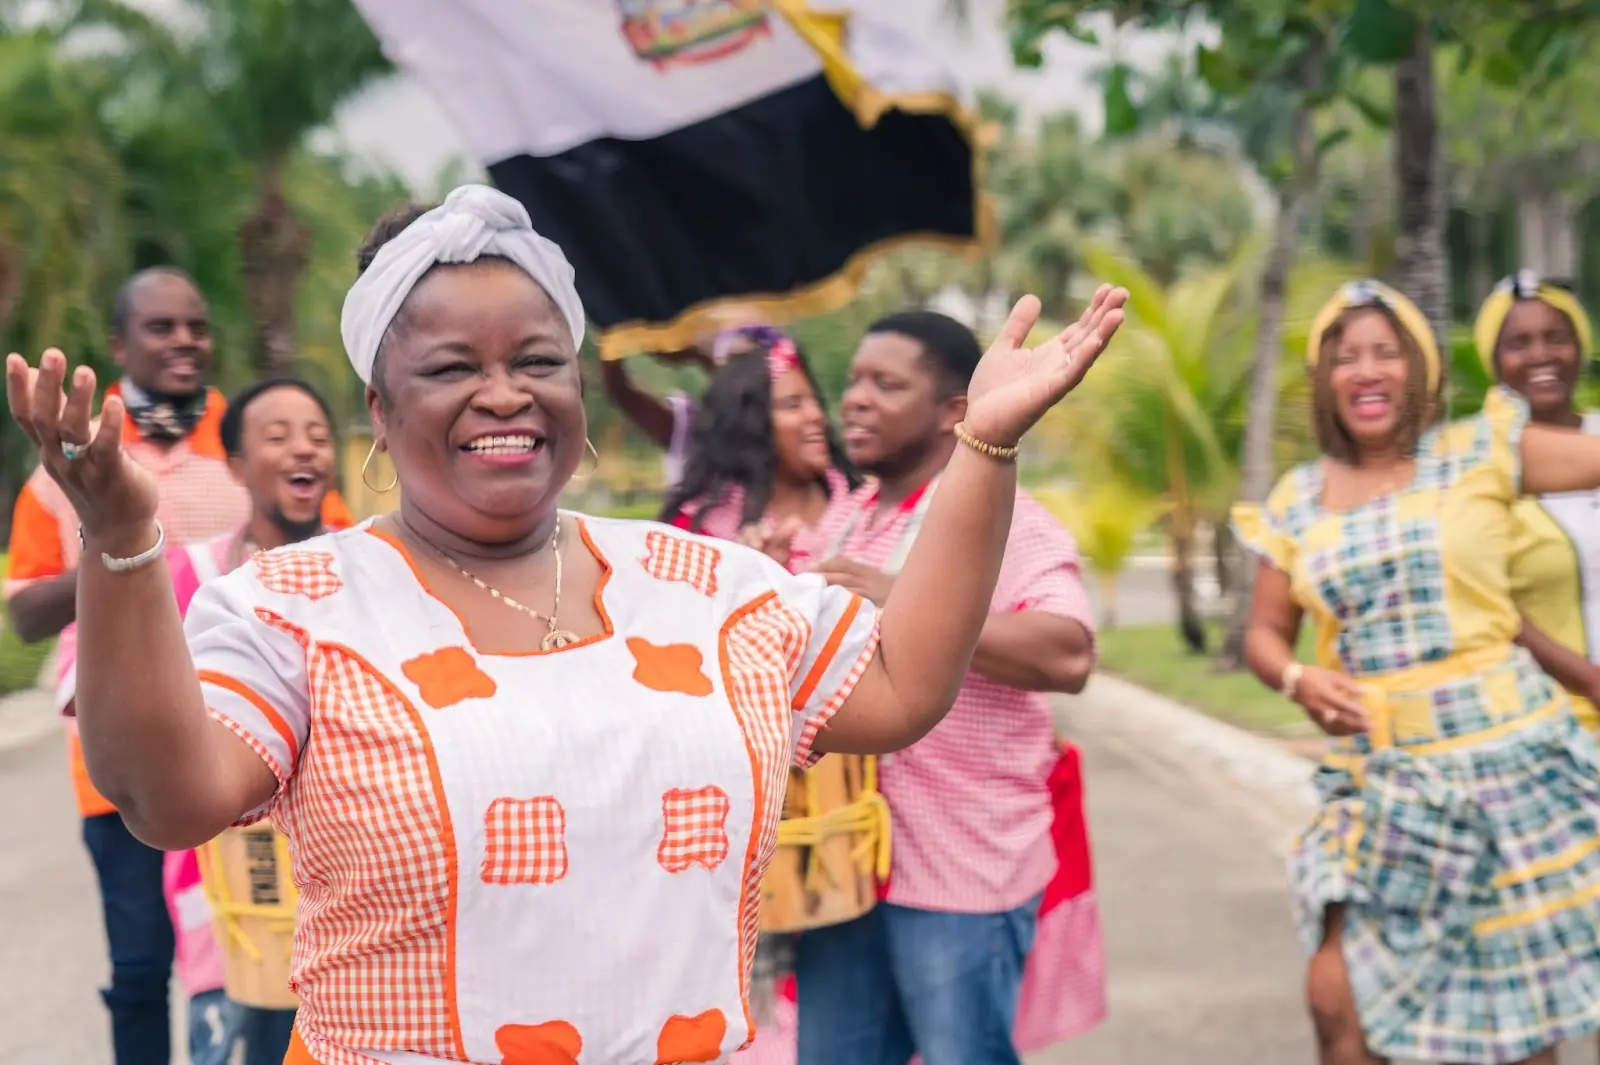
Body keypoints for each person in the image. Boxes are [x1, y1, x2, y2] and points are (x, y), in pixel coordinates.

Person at [4, 184, 1128, 1065]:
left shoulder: (703, 583)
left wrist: (982, 448)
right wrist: (119, 542)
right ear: (383, 415)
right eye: (451, 368)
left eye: (537, 360)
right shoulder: (297, 605)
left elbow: (902, 686)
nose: (503, 392)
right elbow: (166, 798)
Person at [1234, 279, 1600, 1065]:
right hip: (1383, 776)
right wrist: (1296, 678)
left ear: (1420, 368)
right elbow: (1264, 631)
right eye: (1348, 356)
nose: (1368, 370)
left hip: (1510, 765)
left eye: (1387, 352)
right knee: (1336, 1001)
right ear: (1326, 377)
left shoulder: (1479, 450)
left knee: (1516, 1025)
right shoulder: (1297, 499)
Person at [1, 267, 350, 1065]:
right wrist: (117, 534)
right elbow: (22, 609)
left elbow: (328, 540)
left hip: (250, 751)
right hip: (117, 760)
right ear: (121, 345)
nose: (186, 340)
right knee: (140, 964)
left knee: (257, 964)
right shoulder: (75, 461)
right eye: (162, 328)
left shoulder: (250, 439)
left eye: (197, 325)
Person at [782, 310, 1105, 1065]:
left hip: (962, 868)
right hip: (844, 867)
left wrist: (906, 596)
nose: (854, 399)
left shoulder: (1008, 517)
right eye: (855, 380)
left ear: (955, 412)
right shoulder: (846, 515)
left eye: (886, 384)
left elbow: (1070, 653)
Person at [162, 377, 342, 1065]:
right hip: (232, 883)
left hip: (343, 882)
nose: (303, 449)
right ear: (235, 463)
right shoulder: (195, 573)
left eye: (318, 435)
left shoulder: (372, 564)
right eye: (277, 436)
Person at [1472, 271, 1600, 726]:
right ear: (1494, 359)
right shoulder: (1478, 464)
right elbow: (1487, 601)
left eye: (1556, 338)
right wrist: (1588, 680)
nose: (1541, 355)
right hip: (1545, 721)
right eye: (1518, 343)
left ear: (1580, 348)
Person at [660, 325, 859, 548]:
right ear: (750, 425)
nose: (816, 415)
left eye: (815, 402)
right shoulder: (699, 534)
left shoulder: (867, 506)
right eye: (793, 405)